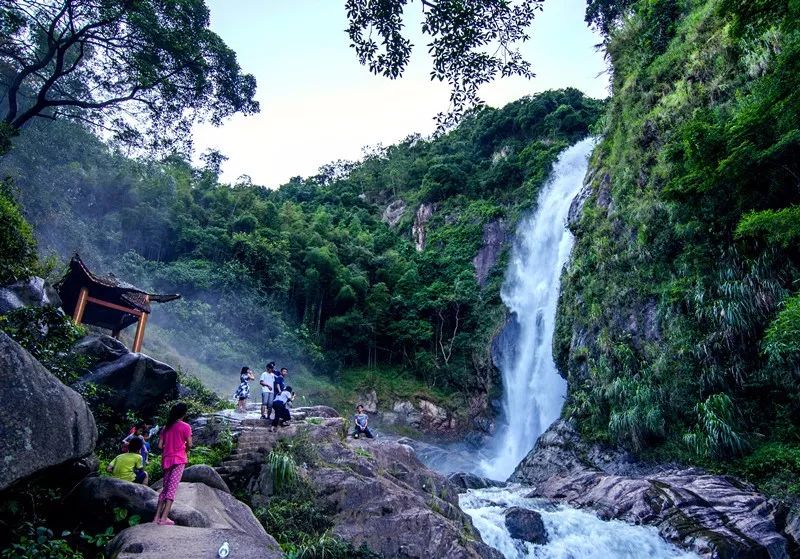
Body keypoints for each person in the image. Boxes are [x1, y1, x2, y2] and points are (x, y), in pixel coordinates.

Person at [154, 402, 192, 526]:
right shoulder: (186, 427)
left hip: (166, 460)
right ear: (184, 413)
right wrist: (184, 449)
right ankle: (164, 518)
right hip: (179, 459)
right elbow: (190, 444)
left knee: (165, 488)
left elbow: (160, 445)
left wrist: (169, 446)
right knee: (172, 489)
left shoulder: (166, 427)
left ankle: (156, 518)